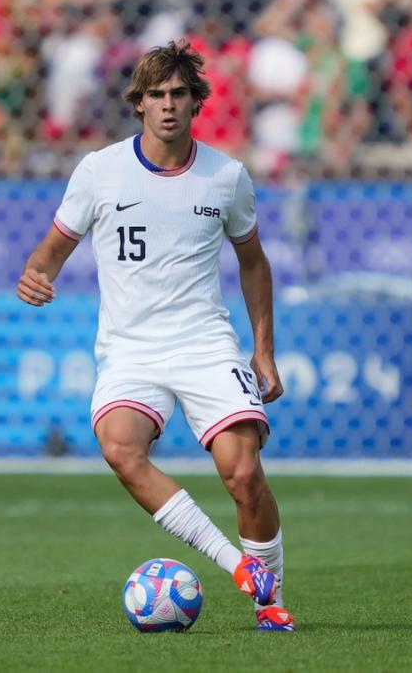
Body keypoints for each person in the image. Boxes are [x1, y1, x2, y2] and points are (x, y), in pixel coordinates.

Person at [16, 40, 293, 632]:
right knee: (120, 447)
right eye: (156, 95)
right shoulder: (99, 171)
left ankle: (271, 601)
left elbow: (253, 262)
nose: (168, 105)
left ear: (197, 104)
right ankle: (242, 571)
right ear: (138, 104)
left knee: (243, 473)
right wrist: (36, 276)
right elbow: (53, 247)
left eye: (179, 95)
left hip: (204, 344)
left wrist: (262, 349)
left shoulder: (227, 177)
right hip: (130, 351)